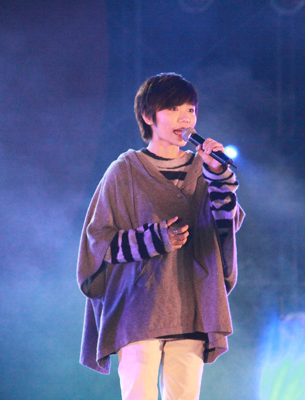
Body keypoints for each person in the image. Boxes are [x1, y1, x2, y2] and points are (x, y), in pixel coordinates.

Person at [77, 72, 244, 400]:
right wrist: (154, 239)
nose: (186, 118)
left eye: (191, 110)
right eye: (173, 109)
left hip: (191, 304)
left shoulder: (204, 170)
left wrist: (217, 174)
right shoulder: (124, 170)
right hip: (137, 307)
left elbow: (227, 224)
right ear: (148, 116)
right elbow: (98, 240)